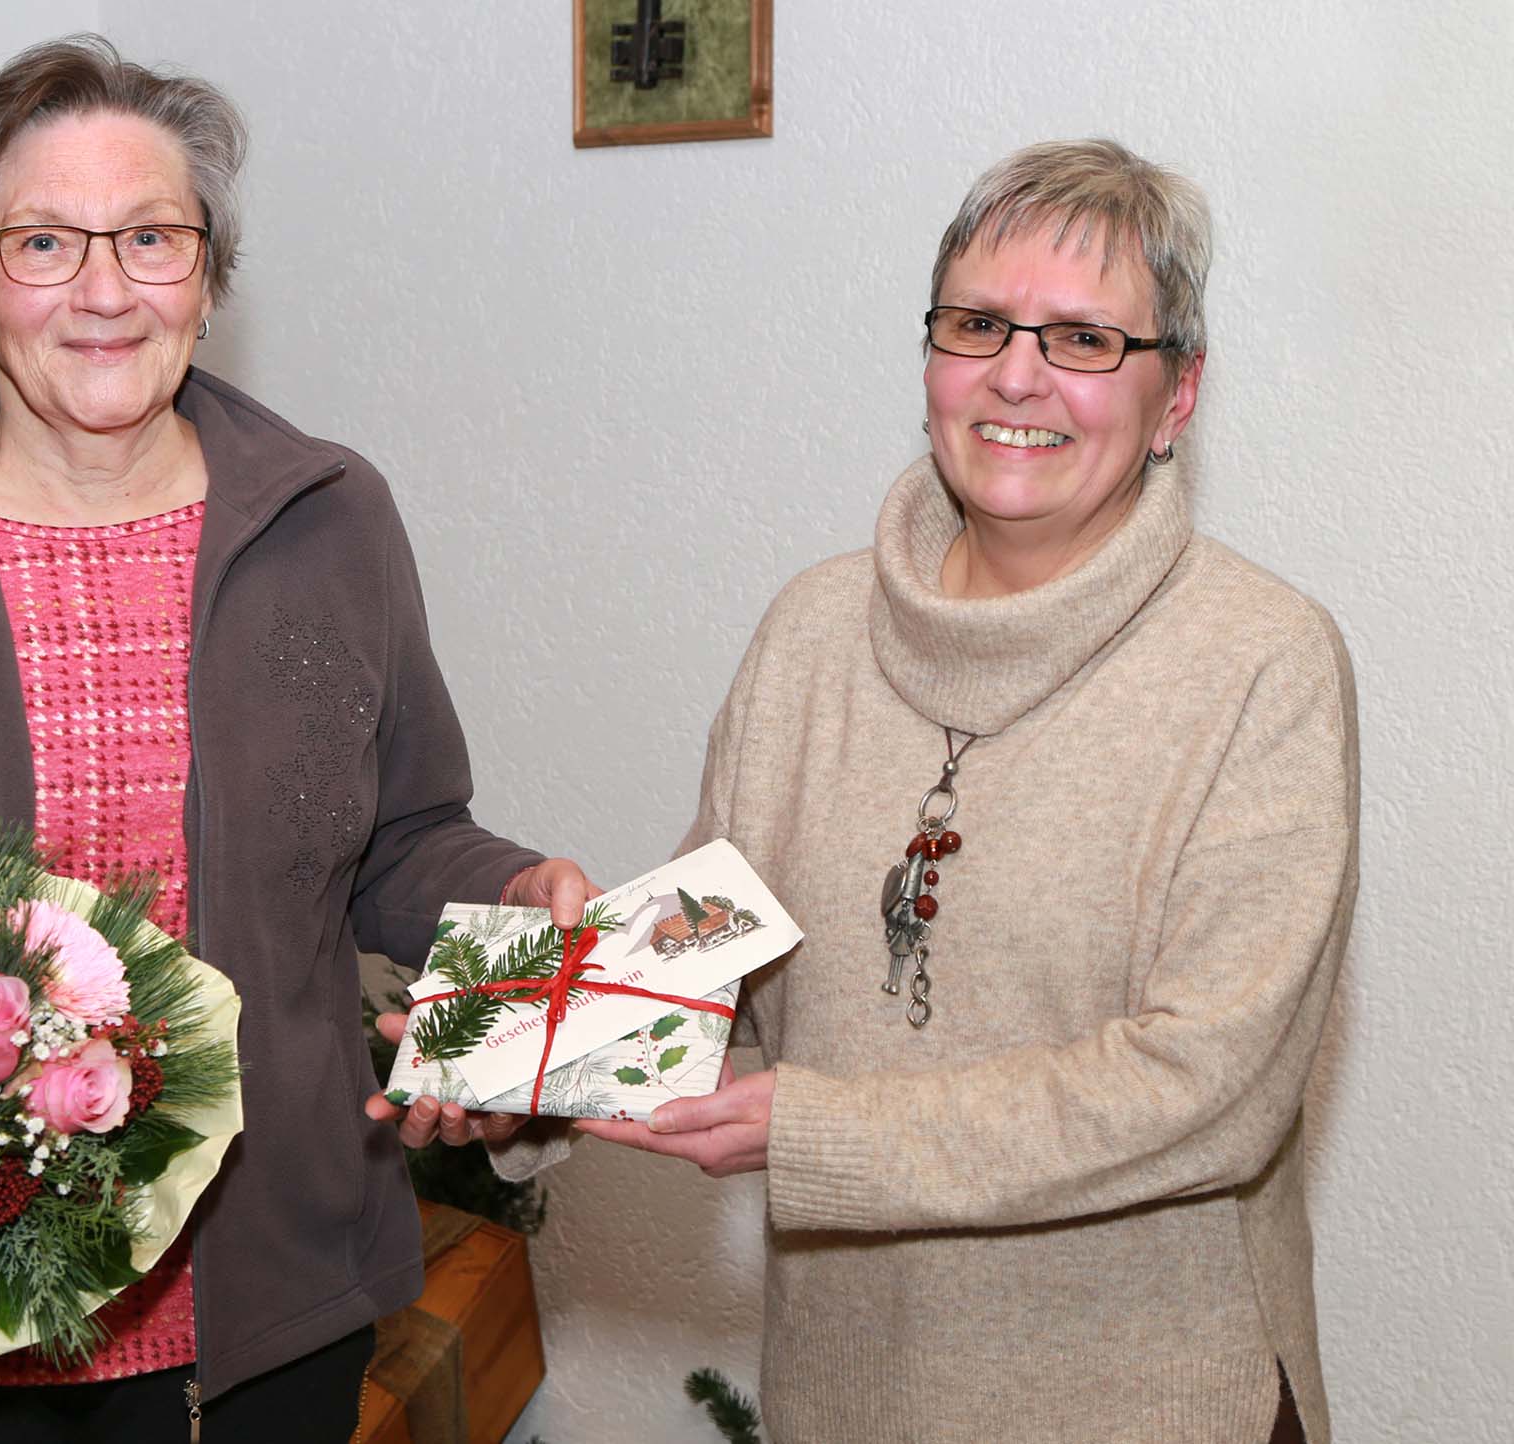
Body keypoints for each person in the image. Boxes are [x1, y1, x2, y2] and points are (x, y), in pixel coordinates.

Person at [0, 35, 593, 1442]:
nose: (103, 289)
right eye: (40, 242)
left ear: (208, 277)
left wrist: (512, 900)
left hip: (252, 1316)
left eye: (151, 236)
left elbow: (397, 839)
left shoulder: (332, 520)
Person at [569, 140, 1356, 1443]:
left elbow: (1211, 1088)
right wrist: (512, 1057)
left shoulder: (1262, 662)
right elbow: (708, 958)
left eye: (1087, 339)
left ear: (1178, 398)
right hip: (847, 1398)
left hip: (1147, 1403)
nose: (1018, 373)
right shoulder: (811, 630)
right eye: (978, 323)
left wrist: (824, 1133)